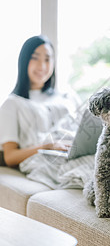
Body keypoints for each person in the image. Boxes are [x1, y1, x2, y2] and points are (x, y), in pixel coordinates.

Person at [0, 35, 79, 169]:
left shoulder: (67, 97)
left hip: (76, 153)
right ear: (24, 61)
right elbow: (10, 157)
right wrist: (47, 146)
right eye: (35, 58)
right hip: (49, 163)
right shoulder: (12, 104)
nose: (42, 66)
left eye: (47, 59)